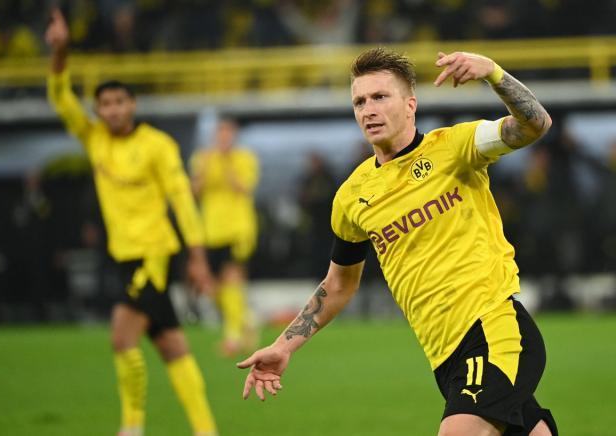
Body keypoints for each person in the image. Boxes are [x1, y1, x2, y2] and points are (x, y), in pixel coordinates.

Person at [238, 47, 558, 436]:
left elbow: (535, 124)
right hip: (443, 355)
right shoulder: (352, 196)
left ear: (410, 105)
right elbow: (338, 285)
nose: (368, 110)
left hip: (492, 329)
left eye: (379, 97)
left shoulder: (455, 147)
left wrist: (492, 72)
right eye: (359, 101)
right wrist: (283, 346)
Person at [45, 10, 218, 436]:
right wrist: (61, 52)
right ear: (98, 109)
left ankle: (132, 427)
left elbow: (182, 200)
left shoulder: (157, 145)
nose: (113, 110)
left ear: (133, 105)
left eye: (120, 102)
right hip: (124, 256)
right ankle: (205, 429)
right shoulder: (94, 139)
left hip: (153, 253)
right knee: (172, 346)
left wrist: (197, 257)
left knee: (122, 337)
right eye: (105, 104)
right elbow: (60, 98)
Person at [190, 118, 260, 357]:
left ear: (234, 137)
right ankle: (246, 320)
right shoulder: (202, 159)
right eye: (220, 134)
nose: (224, 139)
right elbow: (194, 193)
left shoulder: (244, 158)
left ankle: (233, 337)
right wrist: (203, 170)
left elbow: (244, 188)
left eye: (228, 134)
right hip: (210, 230)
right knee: (213, 286)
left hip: (238, 229)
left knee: (232, 277)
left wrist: (226, 163)